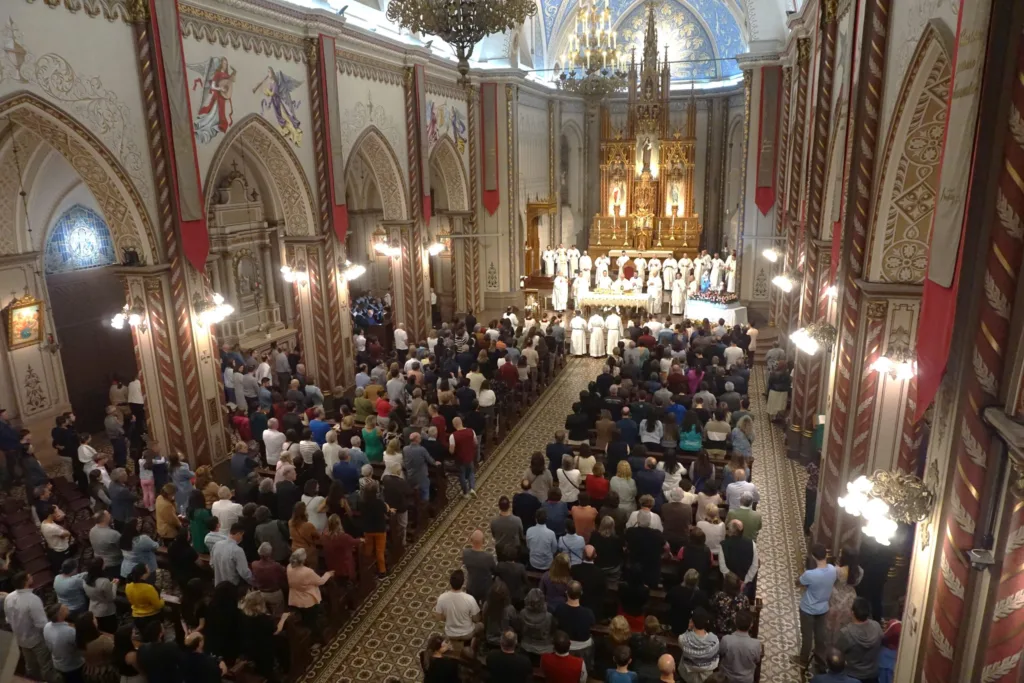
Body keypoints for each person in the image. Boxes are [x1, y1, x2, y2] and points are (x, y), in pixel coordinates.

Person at [4, 571, 57, 681]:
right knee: (46, 666)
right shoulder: (32, 600)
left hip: (20, 639)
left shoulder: (8, 598)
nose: (31, 577)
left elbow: (8, 619)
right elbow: (42, 624)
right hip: (36, 639)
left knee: (30, 666)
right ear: (25, 582)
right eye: (29, 577)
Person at [795, 543, 838, 668]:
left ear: (813, 557)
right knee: (820, 636)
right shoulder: (832, 569)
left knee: (807, 636)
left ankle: (803, 659)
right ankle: (820, 660)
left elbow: (798, 582)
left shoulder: (810, 574)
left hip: (808, 608)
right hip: (823, 608)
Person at [238, 591, 290, 683]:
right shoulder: (263, 619)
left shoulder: (242, 614)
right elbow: (276, 631)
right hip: (263, 648)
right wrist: (283, 618)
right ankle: (285, 670)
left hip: (247, 646)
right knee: (283, 642)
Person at [287, 549, 334, 640]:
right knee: (312, 620)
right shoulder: (307, 571)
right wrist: (328, 574)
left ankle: (309, 635)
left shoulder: (289, 567)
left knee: (305, 618)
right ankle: (315, 638)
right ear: (303, 560)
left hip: (295, 598)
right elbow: (320, 582)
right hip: (308, 600)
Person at [836, 598, 882, 682]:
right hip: (873, 675)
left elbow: (838, 654)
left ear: (852, 612)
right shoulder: (877, 626)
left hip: (852, 677)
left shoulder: (846, 633)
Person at [433, 569, 481, 650]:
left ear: (450, 582)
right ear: (463, 583)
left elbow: (438, 617)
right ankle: (477, 646)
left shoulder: (442, 598)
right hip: (468, 633)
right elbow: (476, 619)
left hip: (450, 634)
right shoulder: (469, 599)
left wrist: (448, 616)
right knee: (481, 626)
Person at [43, 603, 85, 683]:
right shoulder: (69, 631)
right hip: (73, 666)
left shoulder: (47, 626)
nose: (67, 608)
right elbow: (80, 648)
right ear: (60, 615)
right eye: (65, 609)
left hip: (57, 663)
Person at [718, 609, 762, 683]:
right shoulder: (756, 644)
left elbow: (721, 654)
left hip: (727, 678)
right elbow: (757, 660)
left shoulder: (726, 639)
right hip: (746, 679)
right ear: (751, 625)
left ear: (735, 622)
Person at [677, 607, 719, 682]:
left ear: (692, 622)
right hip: (707, 678)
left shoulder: (683, 639)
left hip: (687, 677)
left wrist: (689, 629)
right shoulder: (715, 641)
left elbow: (682, 639)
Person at [83, 558, 119, 633]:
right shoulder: (104, 581)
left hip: (93, 608)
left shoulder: (85, 579)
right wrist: (114, 585)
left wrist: (110, 584)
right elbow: (111, 598)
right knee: (111, 632)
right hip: (106, 611)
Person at [125, 564, 164, 632]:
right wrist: (162, 600)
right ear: (143, 574)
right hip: (151, 617)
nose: (149, 570)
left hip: (137, 617)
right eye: (148, 568)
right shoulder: (148, 588)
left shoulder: (128, 586)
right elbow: (158, 606)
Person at [463, 529, 496, 602]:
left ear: (471, 540)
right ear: (483, 541)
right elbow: (494, 570)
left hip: (472, 586)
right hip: (485, 588)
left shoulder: (465, 553)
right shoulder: (488, 557)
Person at [450, 416, 479, 497]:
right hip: (470, 456)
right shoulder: (471, 431)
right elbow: (476, 443)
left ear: (454, 425)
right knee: (471, 473)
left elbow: (451, 451)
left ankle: (465, 492)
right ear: (461, 422)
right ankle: (472, 488)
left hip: (460, 459)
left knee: (462, 474)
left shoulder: (453, 436)